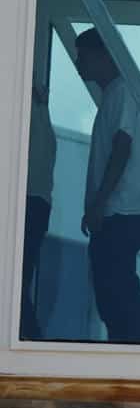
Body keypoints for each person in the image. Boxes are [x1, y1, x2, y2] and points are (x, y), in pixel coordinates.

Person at [74, 27, 140, 342]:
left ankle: (134, 356)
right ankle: (130, 353)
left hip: (120, 212)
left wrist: (99, 203)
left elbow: (122, 147)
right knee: (114, 293)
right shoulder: (115, 94)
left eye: (83, 57)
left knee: (117, 293)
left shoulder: (122, 91)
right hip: (118, 212)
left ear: (102, 55)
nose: (80, 64)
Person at [21, 82, 53, 340]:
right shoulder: (39, 111)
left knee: (13, 289)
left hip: (29, 200)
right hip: (37, 201)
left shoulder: (24, 108)